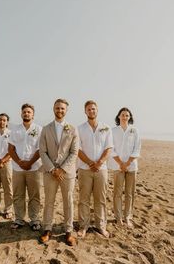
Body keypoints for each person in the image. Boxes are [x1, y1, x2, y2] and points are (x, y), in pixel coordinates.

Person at [39, 98, 79, 246]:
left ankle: (68, 231)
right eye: (57, 108)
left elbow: (74, 152)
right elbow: (42, 151)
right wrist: (52, 169)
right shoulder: (46, 128)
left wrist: (62, 169)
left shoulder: (73, 129)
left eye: (62, 108)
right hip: (50, 172)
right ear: (53, 109)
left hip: (67, 173)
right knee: (49, 201)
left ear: (66, 110)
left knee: (68, 201)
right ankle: (47, 229)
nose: (60, 110)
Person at [77, 100, 113, 238]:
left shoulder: (106, 128)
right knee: (84, 199)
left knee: (100, 199)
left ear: (97, 110)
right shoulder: (79, 129)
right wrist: (90, 163)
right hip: (84, 169)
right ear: (85, 112)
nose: (91, 111)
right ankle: (83, 226)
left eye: (93, 109)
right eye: (89, 109)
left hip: (101, 169)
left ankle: (101, 226)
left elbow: (108, 148)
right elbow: (78, 149)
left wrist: (99, 163)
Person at [8, 103, 42, 231]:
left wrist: (29, 163)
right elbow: (10, 149)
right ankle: (19, 219)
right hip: (17, 168)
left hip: (34, 168)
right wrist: (19, 162)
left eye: (29, 112)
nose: (26, 114)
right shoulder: (15, 130)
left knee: (34, 195)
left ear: (33, 114)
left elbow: (40, 149)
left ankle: (34, 220)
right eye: (24, 112)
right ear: (21, 114)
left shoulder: (39, 129)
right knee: (18, 195)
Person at [110, 107, 141, 228]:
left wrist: (127, 163)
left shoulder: (135, 130)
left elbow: (137, 149)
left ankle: (127, 217)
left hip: (131, 166)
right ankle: (118, 217)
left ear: (130, 117)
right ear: (119, 117)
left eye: (127, 115)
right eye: (123, 115)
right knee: (117, 193)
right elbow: (111, 149)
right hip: (117, 166)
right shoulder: (113, 131)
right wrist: (120, 163)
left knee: (130, 193)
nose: (125, 117)